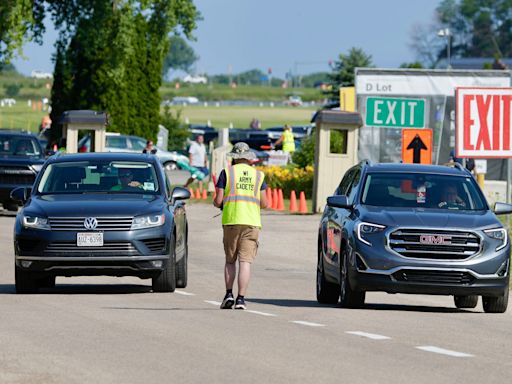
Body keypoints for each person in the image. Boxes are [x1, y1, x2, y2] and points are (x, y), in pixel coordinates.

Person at [213, 142, 268, 310]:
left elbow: (218, 201)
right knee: (245, 262)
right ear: (249, 158)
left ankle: (228, 294)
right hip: (251, 223)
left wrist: (217, 203)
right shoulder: (259, 176)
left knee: (230, 261)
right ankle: (241, 299)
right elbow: (265, 203)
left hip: (231, 221)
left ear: (235, 158)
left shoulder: (227, 173)